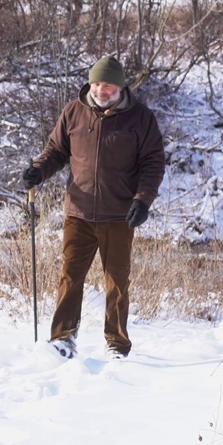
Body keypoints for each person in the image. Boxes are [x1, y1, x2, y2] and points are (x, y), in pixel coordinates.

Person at [21, 55, 166, 360]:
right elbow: (56, 151)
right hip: (78, 211)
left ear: (120, 86)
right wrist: (38, 170)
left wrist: (142, 200)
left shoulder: (140, 118)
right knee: (70, 277)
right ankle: (63, 338)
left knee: (117, 282)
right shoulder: (74, 112)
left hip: (119, 214)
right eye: (98, 83)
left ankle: (117, 344)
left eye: (108, 85)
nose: (102, 90)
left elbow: (152, 164)